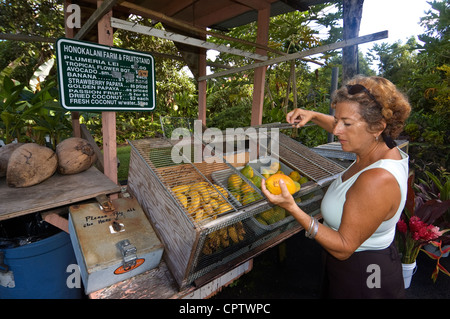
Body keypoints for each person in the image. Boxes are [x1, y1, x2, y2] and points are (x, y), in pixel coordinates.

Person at [261, 75, 411, 298]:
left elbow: (342, 248)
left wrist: (293, 209)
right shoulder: (381, 147)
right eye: (336, 120)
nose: (336, 130)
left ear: (378, 126)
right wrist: (312, 116)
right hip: (365, 265)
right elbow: (340, 124)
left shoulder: (376, 180)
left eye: (346, 124)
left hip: (364, 276)